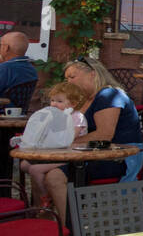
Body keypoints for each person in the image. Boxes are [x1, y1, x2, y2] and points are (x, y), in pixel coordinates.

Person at [41, 58, 143, 225]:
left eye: (72, 77)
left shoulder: (109, 95)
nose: (68, 82)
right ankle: (47, 222)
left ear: (93, 74)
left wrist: (68, 144)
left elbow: (104, 135)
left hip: (119, 157)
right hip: (93, 153)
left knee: (54, 176)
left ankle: (72, 229)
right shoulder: (85, 99)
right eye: (67, 78)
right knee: (34, 166)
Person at [17, 81, 89, 209]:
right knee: (24, 164)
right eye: (52, 100)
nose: (54, 104)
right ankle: (45, 194)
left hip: (72, 156)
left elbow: (70, 137)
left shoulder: (77, 117)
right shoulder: (54, 117)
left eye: (59, 101)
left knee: (35, 169)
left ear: (73, 104)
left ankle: (46, 199)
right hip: (57, 153)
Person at [0, 31, 38, 106]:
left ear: (6, 48)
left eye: (1, 45)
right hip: (20, 113)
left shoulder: (4, 69)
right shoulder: (31, 69)